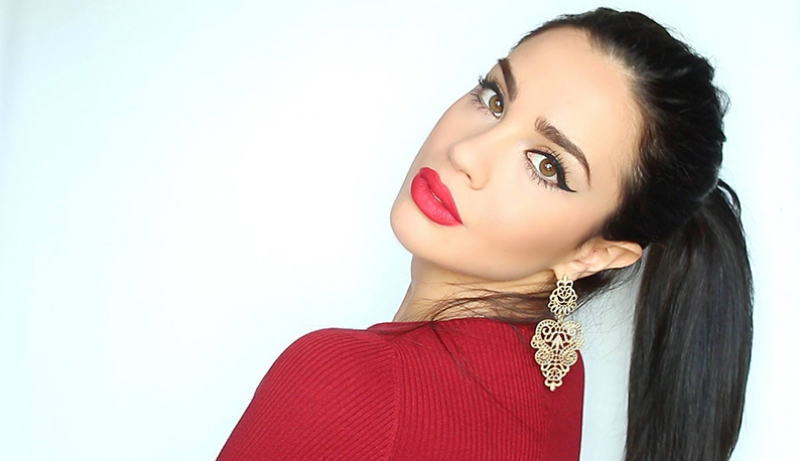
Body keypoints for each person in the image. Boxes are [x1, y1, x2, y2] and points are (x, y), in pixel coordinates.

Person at [217, 7, 752, 461]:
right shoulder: (554, 377)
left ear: (595, 254)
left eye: (546, 165)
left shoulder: (346, 380)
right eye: (495, 99)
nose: (466, 153)